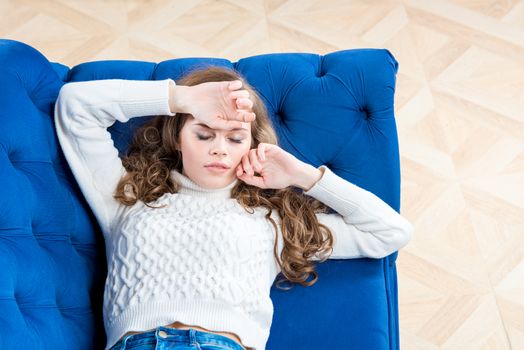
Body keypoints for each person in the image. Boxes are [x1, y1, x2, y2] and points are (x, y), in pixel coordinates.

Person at [54, 66, 413, 350]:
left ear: (251, 145)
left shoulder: (273, 221)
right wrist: (182, 98)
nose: (219, 150)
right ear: (177, 138)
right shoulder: (129, 197)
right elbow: (75, 106)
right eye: (204, 133)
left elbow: (391, 232)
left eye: (235, 138)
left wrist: (302, 175)